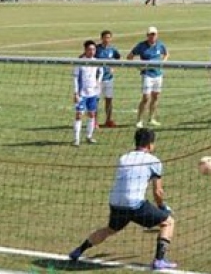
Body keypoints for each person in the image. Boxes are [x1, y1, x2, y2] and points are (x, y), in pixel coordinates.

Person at [69, 128, 178, 271]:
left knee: (110, 229)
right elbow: (158, 191)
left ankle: (78, 251)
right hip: (134, 204)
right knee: (168, 222)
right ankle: (159, 260)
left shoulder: (124, 157)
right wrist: (162, 207)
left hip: (116, 202)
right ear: (151, 144)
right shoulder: (154, 161)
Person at [127, 26, 169, 128]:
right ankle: (139, 120)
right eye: (150, 34)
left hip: (158, 74)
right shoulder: (141, 46)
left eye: (154, 34)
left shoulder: (160, 45)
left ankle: (151, 118)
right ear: (147, 35)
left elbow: (166, 54)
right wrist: (139, 67)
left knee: (156, 96)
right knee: (146, 97)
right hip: (147, 75)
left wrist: (163, 63)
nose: (152, 37)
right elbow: (129, 57)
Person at [72, 40, 103, 146]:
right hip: (82, 93)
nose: (92, 51)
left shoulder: (96, 61)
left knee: (92, 114)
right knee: (79, 115)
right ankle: (76, 139)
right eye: (89, 49)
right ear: (85, 50)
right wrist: (76, 93)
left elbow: (101, 72)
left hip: (93, 93)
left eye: (93, 49)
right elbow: (75, 78)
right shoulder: (79, 62)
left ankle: (89, 136)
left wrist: (98, 82)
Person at [95, 30, 122, 128]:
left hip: (109, 78)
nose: (107, 39)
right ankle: (95, 122)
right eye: (105, 37)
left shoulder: (113, 49)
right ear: (101, 38)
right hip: (97, 79)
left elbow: (118, 58)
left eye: (108, 37)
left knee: (109, 100)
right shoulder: (96, 49)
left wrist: (114, 67)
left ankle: (108, 120)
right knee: (96, 100)